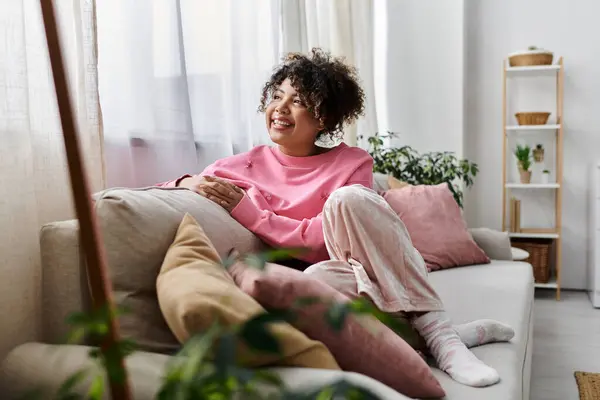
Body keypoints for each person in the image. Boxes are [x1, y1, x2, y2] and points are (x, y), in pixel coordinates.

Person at [157, 48, 514, 387]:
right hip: (335, 284)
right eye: (277, 96)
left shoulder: (352, 162)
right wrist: (186, 180)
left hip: (366, 266)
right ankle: (442, 335)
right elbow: (155, 191)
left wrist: (255, 215)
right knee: (314, 279)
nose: (280, 108)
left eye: (297, 100)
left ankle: (443, 339)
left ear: (323, 117)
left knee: (348, 199)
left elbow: (318, 237)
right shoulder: (238, 167)